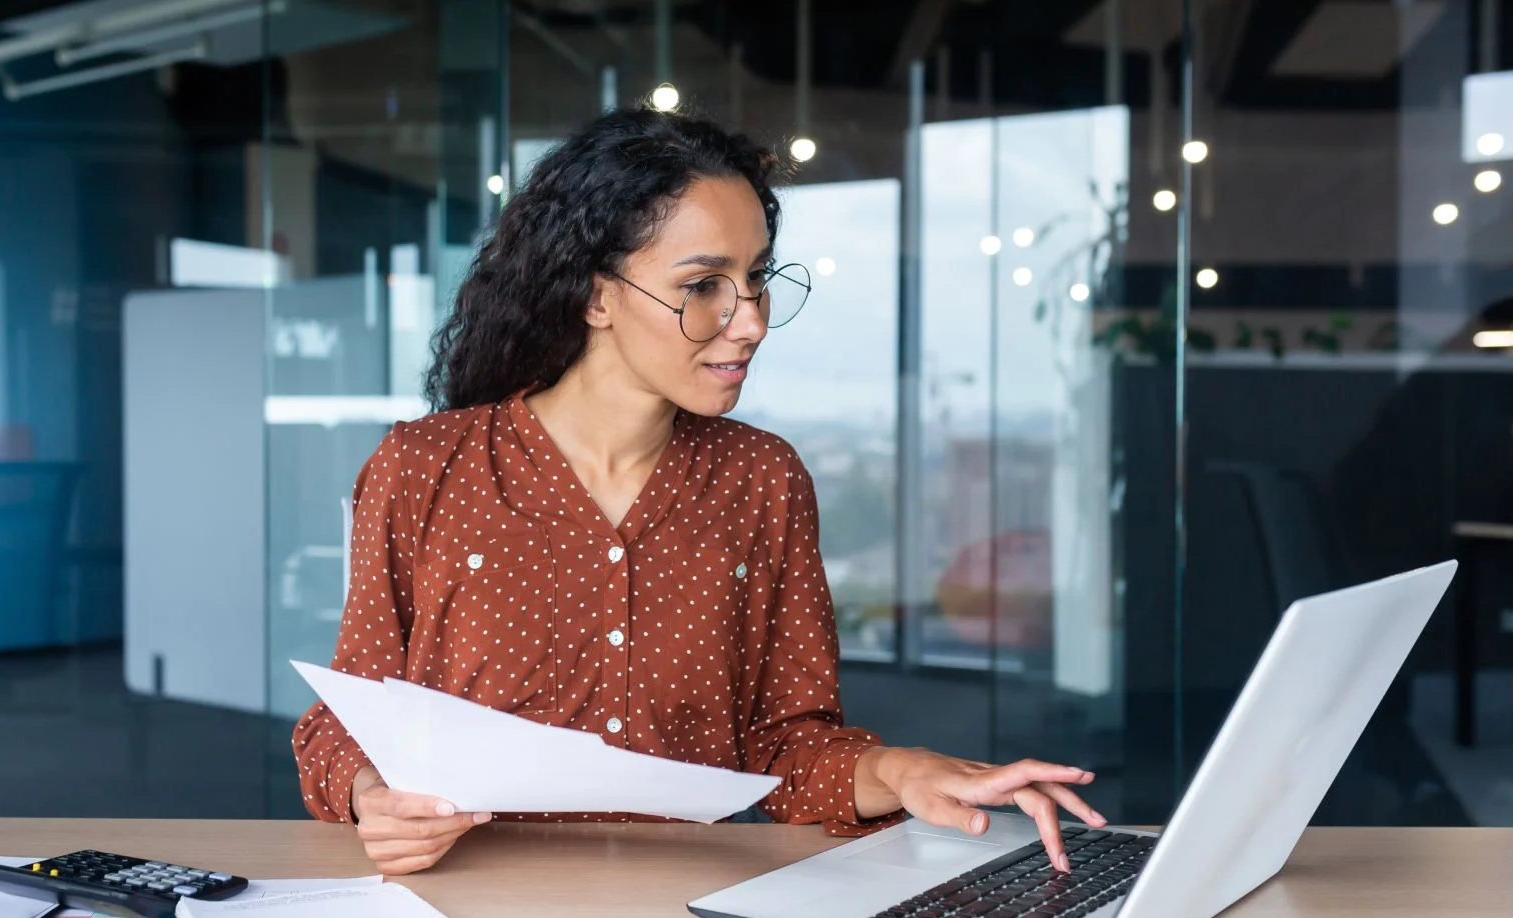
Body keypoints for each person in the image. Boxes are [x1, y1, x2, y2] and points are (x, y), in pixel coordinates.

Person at [292, 107, 1104, 877]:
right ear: (595, 293)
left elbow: (787, 752)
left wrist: (905, 770)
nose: (748, 319)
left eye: (754, 279)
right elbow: (346, 721)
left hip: (683, 913)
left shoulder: (762, 480)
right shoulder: (424, 467)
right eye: (703, 284)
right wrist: (372, 796)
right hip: (457, 908)